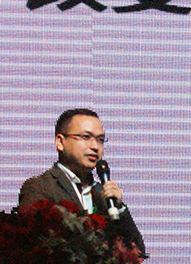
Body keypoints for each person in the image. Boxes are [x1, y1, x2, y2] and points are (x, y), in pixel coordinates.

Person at [19, 108, 145, 253]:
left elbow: (136, 251)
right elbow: (34, 244)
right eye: (86, 137)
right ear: (60, 142)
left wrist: (119, 209)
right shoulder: (40, 187)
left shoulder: (104, 195)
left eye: (100, 140)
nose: (95, 147)